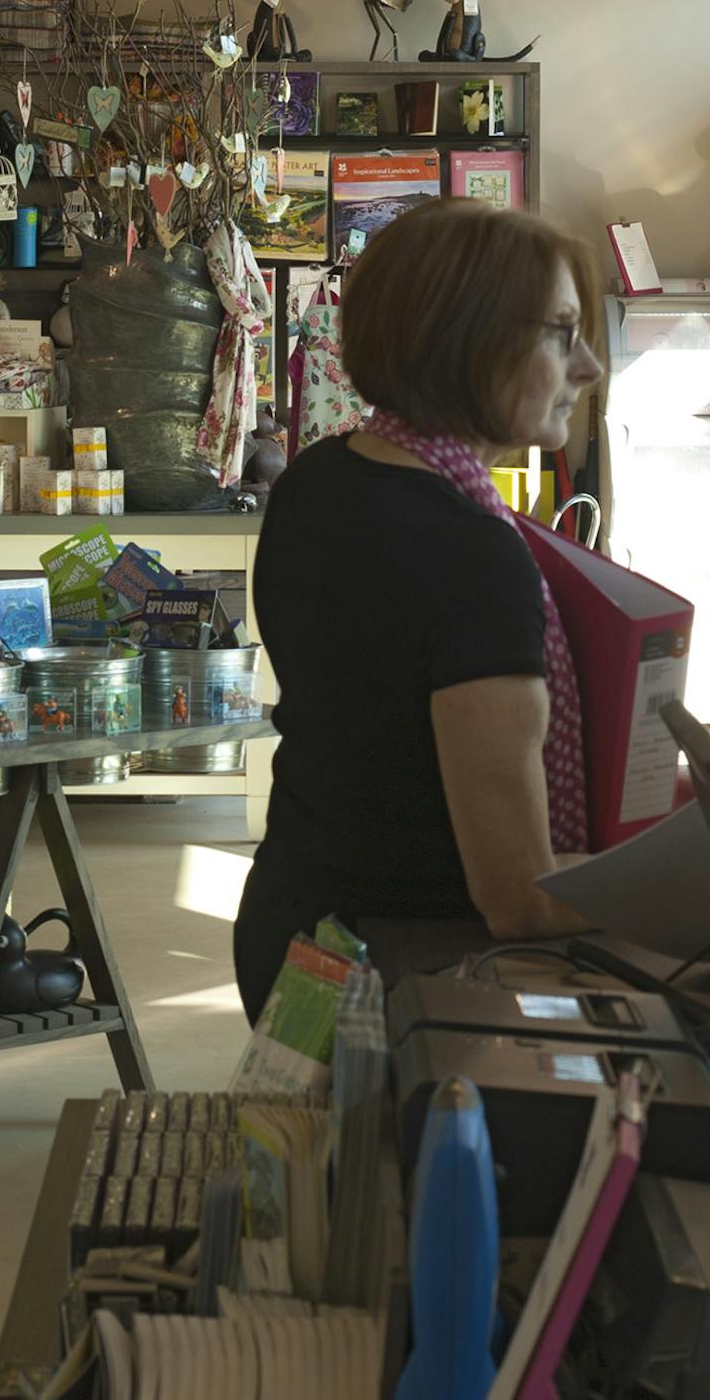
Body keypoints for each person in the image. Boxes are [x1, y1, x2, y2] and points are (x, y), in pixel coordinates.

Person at [233, 199, 601, 1017]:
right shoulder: (472, 554)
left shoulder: (316, 481)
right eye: (561, 332)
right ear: (472, 338)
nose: (588, 367)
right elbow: (519, 895)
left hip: (292, 929)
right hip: (406, 977)